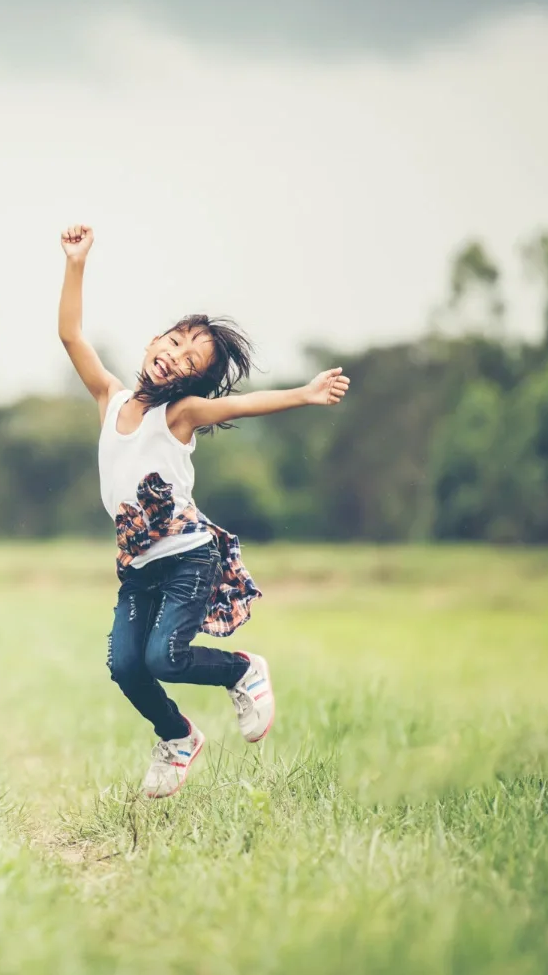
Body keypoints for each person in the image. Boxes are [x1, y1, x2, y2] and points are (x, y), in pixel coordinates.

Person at [55, 223, 350, 796]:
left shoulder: (181, 414)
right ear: (154, 341)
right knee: (126, 666)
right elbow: (71, 335)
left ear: (196, 382)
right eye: (173, 342)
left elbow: (245, 402)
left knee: (165, 656)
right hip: (139, 566)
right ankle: (178, 737)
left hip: (190, 557)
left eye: (191, 360)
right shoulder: (109, 397)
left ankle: (242, 670)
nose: (174, 357)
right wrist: (75, 265)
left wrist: (303, 394)